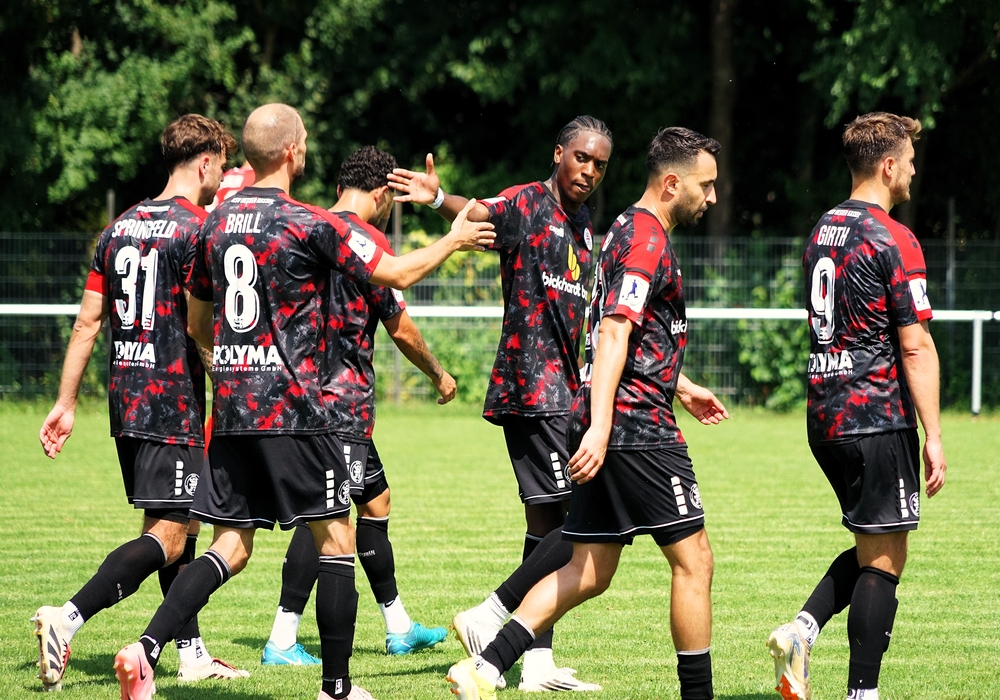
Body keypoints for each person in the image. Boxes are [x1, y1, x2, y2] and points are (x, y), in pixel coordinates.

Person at [111, 103, 494, 700]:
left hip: (232, 412)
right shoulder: (309, 221)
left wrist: (231, 364)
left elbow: (197, 321)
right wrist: (453, 238)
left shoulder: (213, 222)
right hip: (296, 413)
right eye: (306, 139)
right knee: (336, 541)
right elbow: (395, 274)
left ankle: (146, 649)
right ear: (292, 151)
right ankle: (336, 689)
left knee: (228, 547)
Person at [445, 126, 728, 700]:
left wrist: (680, 384)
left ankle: (485, 665)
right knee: (694, 561)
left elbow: (622, 333)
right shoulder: (645, 239)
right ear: (673, 184)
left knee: (589, 566)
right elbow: (615, 332)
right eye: (706, 185)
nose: (713, 197)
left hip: (614, 413)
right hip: (637, 427)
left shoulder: (621, 226)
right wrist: (601, 427)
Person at [389, 116, 611, 691]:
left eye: (600, 164)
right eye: (581, 157)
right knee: (584, 522)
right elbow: (480, 213)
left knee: (547, 527)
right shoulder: (528, 203)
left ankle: (536, 663)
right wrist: (437, 198)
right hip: (533, 388)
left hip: (564, 392)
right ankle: (488, 615)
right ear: (559, 153)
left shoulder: (584, 224)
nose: (589, 170)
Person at [33, 114, 248, 691]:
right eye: (222, 166)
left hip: (125, 403)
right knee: (168, 537)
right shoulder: (197, 231)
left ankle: (192, 652)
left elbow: (87, 323)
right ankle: (67, 617)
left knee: (179, 525)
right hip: (171, 405)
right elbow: (203, 324)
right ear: (205, 162)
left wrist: (65, 403)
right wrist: (230, 377)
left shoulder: (117, 228)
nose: (222, 177)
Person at [767, 112, 946, 700]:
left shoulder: (824, 228)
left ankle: (802, 631)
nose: (913, 172)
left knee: (876, 547)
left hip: (825, 415)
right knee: (885, 562)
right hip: (876, 415)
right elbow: (915, 346)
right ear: (888, 166)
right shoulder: (893, 237)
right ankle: (861, 693)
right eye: (910, 162)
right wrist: (934, 435)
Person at [261, 146, 452, 665]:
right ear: (384, 192)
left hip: (306, 397)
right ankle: (282, 638)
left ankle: (398, 625)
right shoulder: (364, 239)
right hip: (338, 406)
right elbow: (400, 327)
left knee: (376, 502)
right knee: (326, 515)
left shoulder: (306, 226)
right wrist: (438, 373)